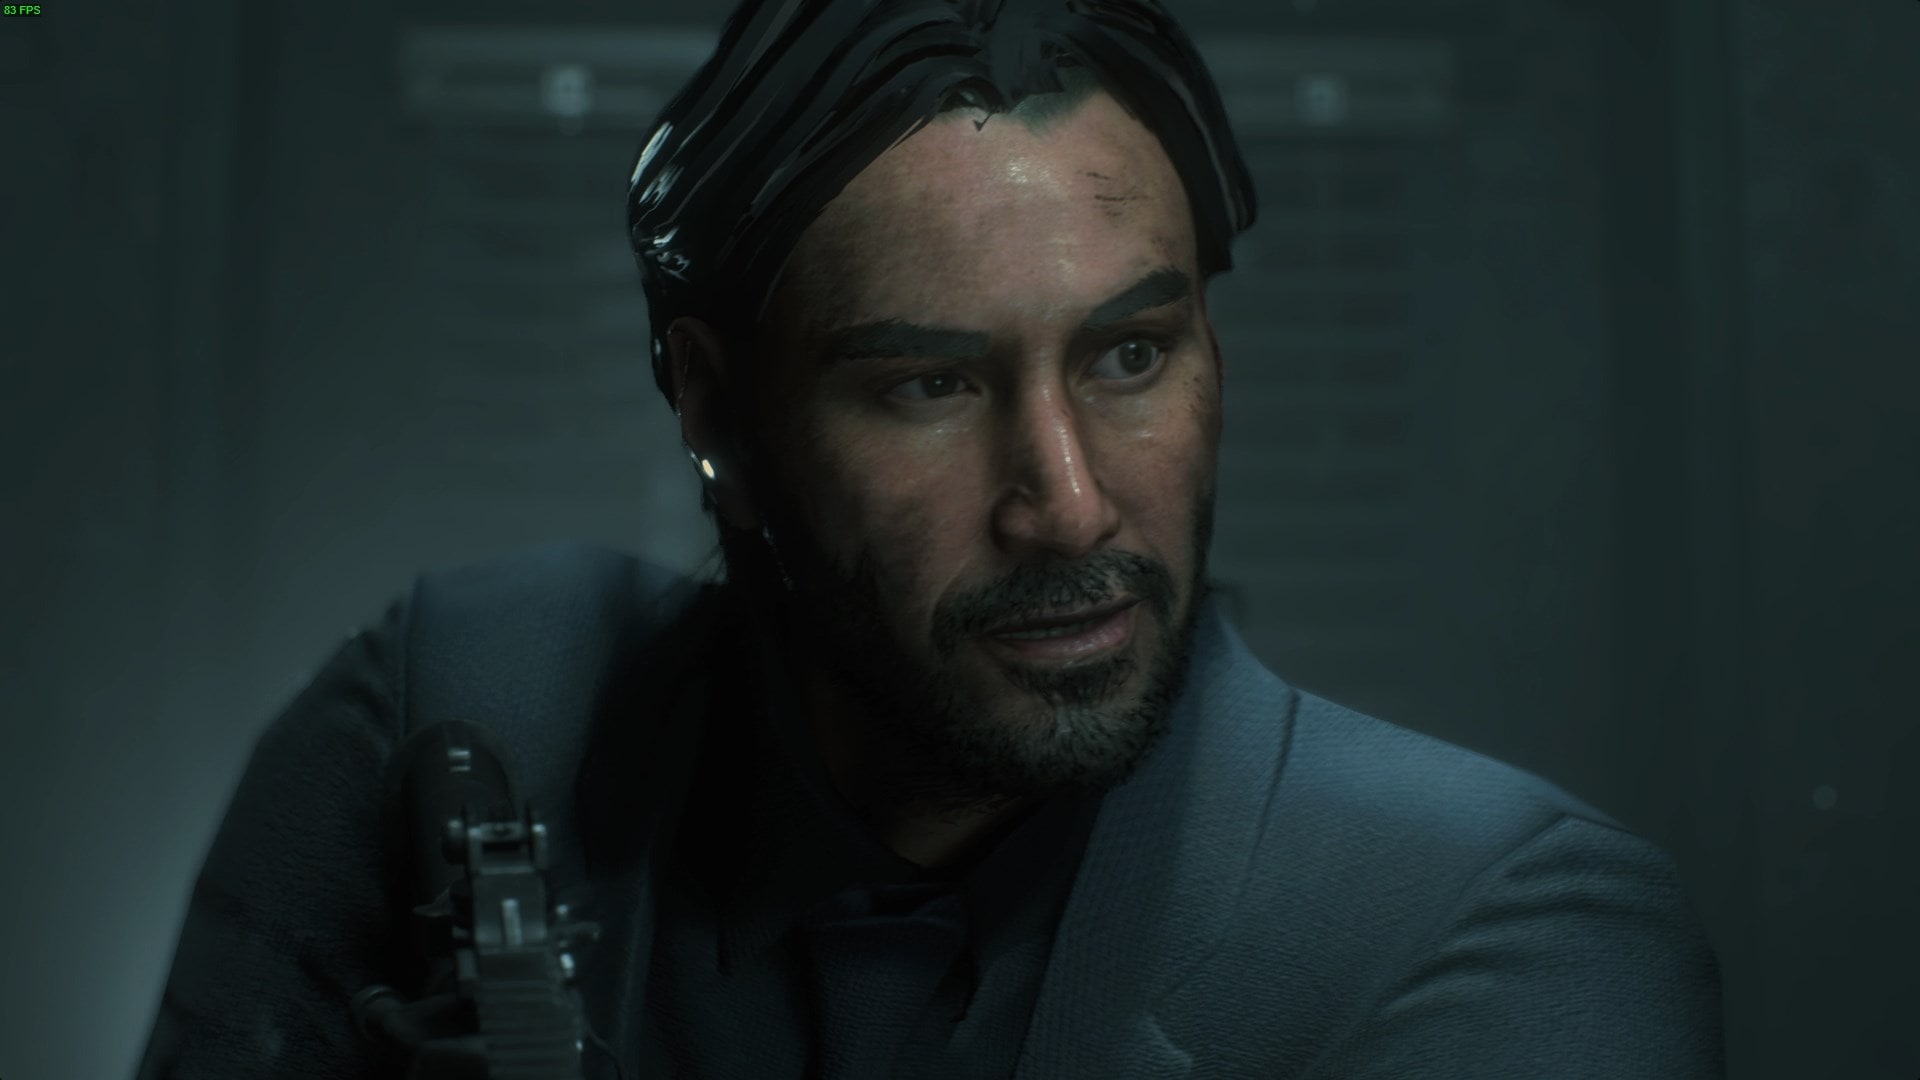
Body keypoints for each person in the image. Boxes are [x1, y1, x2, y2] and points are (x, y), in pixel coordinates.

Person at [135, 0, 1725, 1076]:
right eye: (930, 384)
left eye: (1130, 355)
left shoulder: (1497, 929)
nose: (1068, 503)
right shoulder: (471, 699)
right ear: (716, 405)